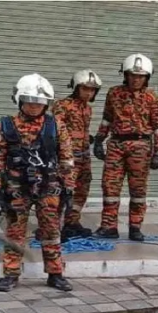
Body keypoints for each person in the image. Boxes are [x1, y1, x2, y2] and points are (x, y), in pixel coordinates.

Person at [0, 73, 75, 292]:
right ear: (19, 100)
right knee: (15, 232)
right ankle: (10, 274)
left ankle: (55, 273)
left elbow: (66, 158)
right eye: (30, 101)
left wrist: (69, 188)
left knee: (51, 231)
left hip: (49, 186)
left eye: (40, 102)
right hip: (17, 188)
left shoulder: (56, 125)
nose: (35, 106)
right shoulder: (6, 126)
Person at [93, 53, 158, 241]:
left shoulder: (153, 98)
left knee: (138, 190)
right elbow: (107, 118)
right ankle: (109, 226)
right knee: (110, 187)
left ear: (147, 77)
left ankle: (135, 227)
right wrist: (99, 140)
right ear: (125, 75)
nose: (136, 79)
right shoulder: (114, 93)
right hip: (116, 144)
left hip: (141, 146)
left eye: (140, 76)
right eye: (132, 75)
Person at [54, 69, 102, 241]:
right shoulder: (62, 105)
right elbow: (57, 130)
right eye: (85, 89)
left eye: (92, 90)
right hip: (68, 157)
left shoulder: (88, 109)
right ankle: (54, 227)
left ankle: (72, 221)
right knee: (64, 190)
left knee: (82, 189)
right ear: (76, 87)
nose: (89, 93)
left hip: (84, 156)